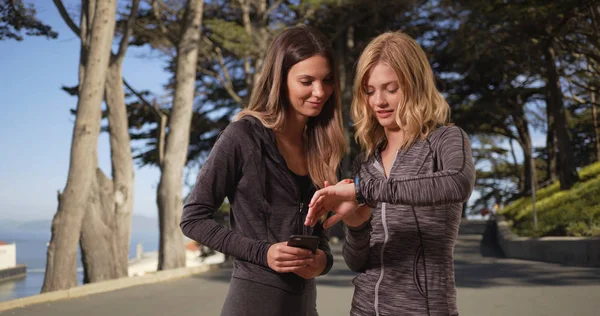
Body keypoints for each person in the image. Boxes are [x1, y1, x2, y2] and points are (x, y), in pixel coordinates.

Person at [305, 31, 476, 316]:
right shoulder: (366, 162)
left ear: (415, 85)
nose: (378, 102)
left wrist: (364, 191)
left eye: (391, 89)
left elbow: (458, 183)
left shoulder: (445, 139)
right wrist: (357, 227)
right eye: (370, 91)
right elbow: (358, 263)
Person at [180, 25, 346, 316]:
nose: (320, 92)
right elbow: (192, 219)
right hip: (252, 304)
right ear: (280, 81)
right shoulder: (242, 137)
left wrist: (323, 261)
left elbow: (317, 236)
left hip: (305, 307)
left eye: (327, 80)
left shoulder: (321, 148)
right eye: (307, 81)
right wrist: (263, 252)